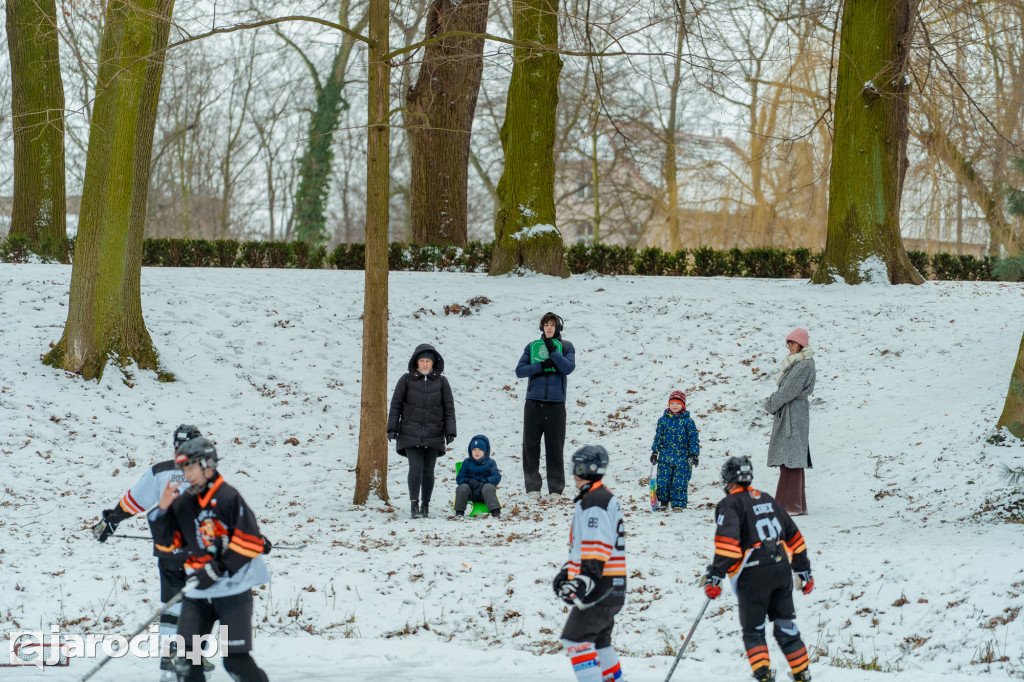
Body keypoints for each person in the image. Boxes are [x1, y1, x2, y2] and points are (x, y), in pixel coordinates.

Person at [149, 437, 271, 682]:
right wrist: (161, 512)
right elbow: (167, 545)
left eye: (191, 468)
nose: (187, 475)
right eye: (184, 469)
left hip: (232, 591)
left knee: (235, 661)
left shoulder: (228, 497)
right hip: (199, 594)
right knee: (185, 660)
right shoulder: (183, 502)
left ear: (208, 465)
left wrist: (217, 569)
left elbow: (250, 541)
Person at [91, 424, 206, 679]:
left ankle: (170, 660)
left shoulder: (161, 471)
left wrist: (111, 521)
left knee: (171, 603)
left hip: (169, 550)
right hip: (198, 552)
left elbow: (133, 501)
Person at [704, 456, 813, 682]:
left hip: (754, 572)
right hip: (781, 567)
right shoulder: (767, 499)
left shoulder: (730, 504)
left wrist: (715, 575)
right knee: (785, 625)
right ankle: (803, 673)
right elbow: (795, 537)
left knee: (754, 630)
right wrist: (804, 570)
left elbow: (728, 546)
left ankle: (764, 676)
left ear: (729, 479)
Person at [552, 446, 626, 682]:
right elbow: (587, 546)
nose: (573, 471)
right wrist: (567, 572)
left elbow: (597, 546)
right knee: (600, 641)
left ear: (583, 468)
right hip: (610, 585)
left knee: (575, 638)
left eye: (576, 466)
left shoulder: (594, 500)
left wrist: (584, 580)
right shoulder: (598, 496)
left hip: (601, 586)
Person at [387, 343, 456, 518]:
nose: (425, 364)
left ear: (433, 363)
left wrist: (450, 431)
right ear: (416, 362)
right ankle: (414, 506)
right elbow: (396, 405)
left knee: (428, 471)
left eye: (428, 361)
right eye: (422, 361)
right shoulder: (406, 380)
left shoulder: (442, 381)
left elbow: (449, 408)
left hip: (434, 432)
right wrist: (392, 428)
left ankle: (426, 505)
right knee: (415, 468)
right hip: (410, 431)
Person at [515, 312, 576, 501]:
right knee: (530, 446)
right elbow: (520, 371)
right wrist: (542, 365)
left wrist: (554, 353)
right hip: (533, 402)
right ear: (542, 327)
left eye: (553, 324)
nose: (549, 328)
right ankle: (533, 487)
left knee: (555, 447)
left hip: (556, 404)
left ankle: (556, 490)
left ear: (558, 327)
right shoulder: (532, 347)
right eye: (546, 325)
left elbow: (568, 368)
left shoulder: (566, 346)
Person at [765, 327, 815, 515]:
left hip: (794, 414)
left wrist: (770, 404)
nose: (789, 347)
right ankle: (794, 504)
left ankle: (790, 505)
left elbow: (787, 392)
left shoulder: (803, 365)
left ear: (801, 344)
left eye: (792, 343)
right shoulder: (799, 363)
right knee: (790, 458)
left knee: (792, 459)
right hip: (792, 413)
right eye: (788, 343)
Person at [650, 390, 700, 511]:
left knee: (680, 481)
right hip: (665, 456)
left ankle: (677, 504)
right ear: (669, 404)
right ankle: (663, 502)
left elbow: (694, 439)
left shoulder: (688, 422)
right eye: (672, 403)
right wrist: (655, 451)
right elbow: (658, 437)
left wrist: (694, 454)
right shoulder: (663, 420)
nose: (674, 406)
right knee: (663, 480)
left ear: (683, 405)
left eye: (677, 403)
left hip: (683, 457)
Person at [454, 435, 501, 518]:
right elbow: (460, 478)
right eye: (474, 449)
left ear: (485, 451)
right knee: (462, 487)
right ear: (470, 450)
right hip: (470, 492)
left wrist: (486, 480)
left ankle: (495, 512)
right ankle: (459, 512)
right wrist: (469, 481)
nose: (476, 452)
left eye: (480, 450)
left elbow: (497, 477)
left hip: (485, 493)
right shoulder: (467, 462)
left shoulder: (490, 463)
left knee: (489, 487)